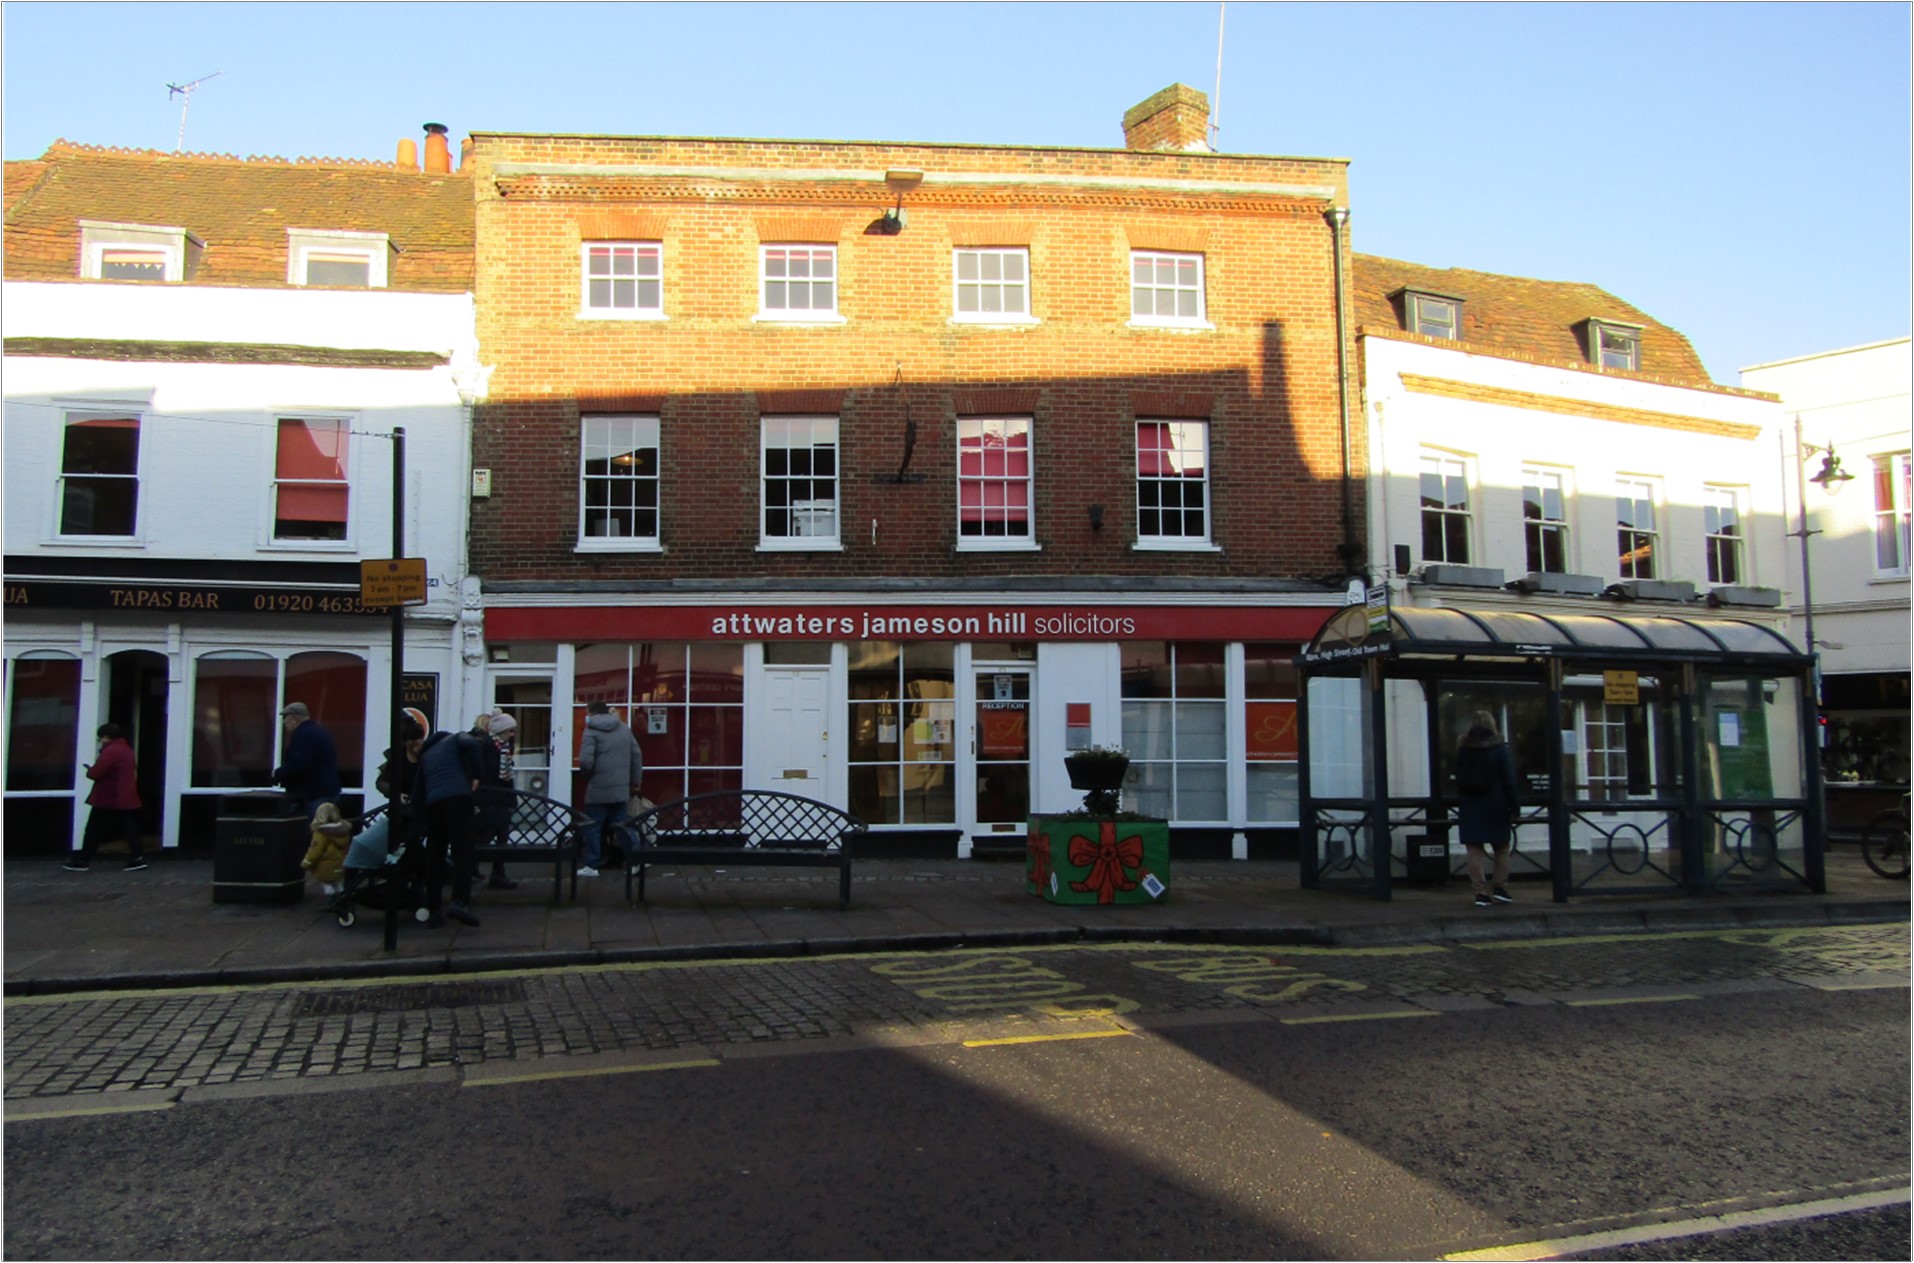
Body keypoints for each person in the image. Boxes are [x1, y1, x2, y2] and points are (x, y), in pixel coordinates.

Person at [416, 718, 487, 927]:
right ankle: (459, 902)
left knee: (435, 856)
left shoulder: (426, 757)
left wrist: (419, 822)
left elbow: (417, 793)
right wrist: (477, 775)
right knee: (462, 851)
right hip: (457, 798)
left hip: (434, 805)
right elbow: (472, 744)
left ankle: (434, 909)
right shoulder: (455, 739)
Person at [1454, 710, 1521, 909]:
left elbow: (1456, 776)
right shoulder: (1500, 748)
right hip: (1496, 803)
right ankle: (1500, 888)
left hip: (1470, 803)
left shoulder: (1463, 748)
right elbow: (1509, 779)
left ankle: (1480, 893)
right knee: (1501, 847)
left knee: (1474, 850)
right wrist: (1514, 806)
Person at [64, 724, 146, 872]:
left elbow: (97, 773)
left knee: (93, 829)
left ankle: (83, 860)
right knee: (129, 828)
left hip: (108, 797)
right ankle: (138, 857)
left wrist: (89, 770)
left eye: (100, 738)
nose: (100, 741)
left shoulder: (110, 751)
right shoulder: (127, 750)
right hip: (125, 796)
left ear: (106, 737)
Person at [576, 700, 643, 879]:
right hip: (620, 788)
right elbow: (636, 755)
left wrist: (586, 775)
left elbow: (585, 761)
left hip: (598, 787)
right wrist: (635, 780)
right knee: (623, 825)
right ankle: (637, 859)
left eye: (587, 712)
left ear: (592, 713)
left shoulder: (590, 732)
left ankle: (592, 864)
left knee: (593, 827)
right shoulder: (624, 729)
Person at [273, 701, 341, 822]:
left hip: (313, 796)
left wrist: (278, 774)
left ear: (294, 718)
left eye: (285, 718)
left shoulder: (303, 734)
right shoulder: (321, 731)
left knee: (311, 833)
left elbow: (299, 765)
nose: (284, 722)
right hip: (329, 793)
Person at [477, 710, 519, 890]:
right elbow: (483, 771)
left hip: (500, 799)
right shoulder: (486, 746)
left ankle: (498, 873)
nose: (512, 734)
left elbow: (507, 777)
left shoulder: (504, 748)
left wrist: (511, 798)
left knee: (501, 837)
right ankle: (470, 869)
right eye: (509, 731)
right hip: (488, 799)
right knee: (484, 836)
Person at [301, 801, 353, 897]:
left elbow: (316, 851)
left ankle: (332, 901)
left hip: (326, 866)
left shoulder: (321, 832)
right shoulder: (344, 830)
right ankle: (342, 898)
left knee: (327, 884)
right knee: (338, 883)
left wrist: (306, 863)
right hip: (340, 864)